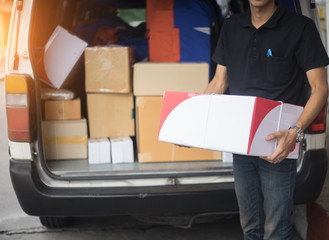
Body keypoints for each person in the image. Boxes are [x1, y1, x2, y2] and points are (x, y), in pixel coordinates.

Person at [205, 0, 329, 239]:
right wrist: (196, 124)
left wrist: (294, 133)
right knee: (251, 226)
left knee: (277, 230)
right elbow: (219, 83)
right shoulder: (231, 27)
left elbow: (320, 88)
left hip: (279, 144)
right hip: (241, 143)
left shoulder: (300, 27)